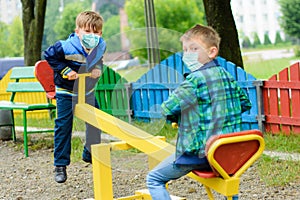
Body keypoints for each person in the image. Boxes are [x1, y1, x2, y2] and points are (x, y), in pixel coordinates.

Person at [146, 24, 252, 199]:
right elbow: (244, 103)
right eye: (185, 50)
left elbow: (167, 109)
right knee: (229, 182)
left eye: (194, 49)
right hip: (229, 153)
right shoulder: (227, 75)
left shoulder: (194, 80)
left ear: (212, 52)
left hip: (201, 155)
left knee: (154, 178)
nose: (188, 55)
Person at [43, 11, 106, 183]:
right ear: (77, 31)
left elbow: (99, 60)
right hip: (66, 91)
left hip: (86, 91)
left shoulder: (101, 45)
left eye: (97, 33)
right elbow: (48, 56)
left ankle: (89, 152)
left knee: (96, 120)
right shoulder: (65, 46)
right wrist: (65, 70)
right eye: (88, 32)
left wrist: (98, 68)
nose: (92, 36)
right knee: (64, 125)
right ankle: (60, 165)